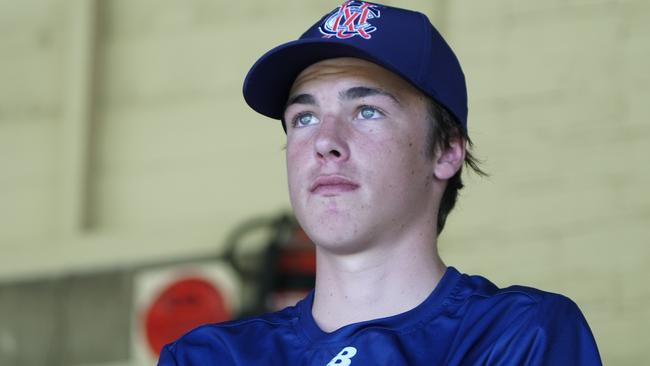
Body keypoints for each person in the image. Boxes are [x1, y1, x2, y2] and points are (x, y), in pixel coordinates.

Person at [159, 1, 601, 365]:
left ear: (446, 150)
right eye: (305, 118)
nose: (325, 142)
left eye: (367, 111)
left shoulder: (517, 335)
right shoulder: (208, 357)